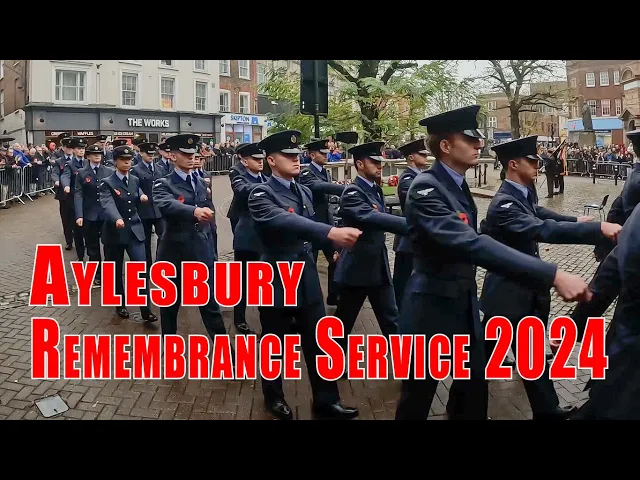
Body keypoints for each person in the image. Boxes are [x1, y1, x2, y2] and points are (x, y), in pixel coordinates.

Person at [394, 105, 592, 421]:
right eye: (469, 139)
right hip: (431, 311)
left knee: (473, 391)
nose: (479, 144)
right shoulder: (426, 188)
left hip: (463, 304)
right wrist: (552, 274)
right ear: (445, 146)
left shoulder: (456, 185)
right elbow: (470, 242)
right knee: (417, 399)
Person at [479, 135, 621, 420]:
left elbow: (540, 213)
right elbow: (542, 229)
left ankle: (546, 409)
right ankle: (460, 404)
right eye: (531, 161)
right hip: (507, 294)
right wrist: (597, 229)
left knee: (527, 352)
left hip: (523, 290)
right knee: (481, 357)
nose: (537, 165)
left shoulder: (522, 193)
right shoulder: (504, 204)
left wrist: (575, 220)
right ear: (513, 164)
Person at [248, 129, 362, 420]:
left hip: (306, 277)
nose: (296, 159)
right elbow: (284, 220)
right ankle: (274, 397)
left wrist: (332, 246)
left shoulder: (304, 190)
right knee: (274, 342)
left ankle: (327, 401)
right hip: (277, 278)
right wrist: (331, 232)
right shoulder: (261, 193)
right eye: (288, 156)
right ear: (271, 161)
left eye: (297, 155)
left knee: (319, 341)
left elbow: (312, 225)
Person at [152, 134, 228, 342]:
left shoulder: (201, 183)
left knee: (210, 304)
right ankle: (169, 344)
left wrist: (212, 250)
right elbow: (166, 204)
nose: (191, 157)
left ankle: (224, 349)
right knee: (170, 304)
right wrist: (193, 211)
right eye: (185, 154)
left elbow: (210, 217)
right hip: (174, 251)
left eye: (192, 154)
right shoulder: (163, 183)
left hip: (200, 249)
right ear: (172, 156)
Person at [333, 141, 407, 343]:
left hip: (378, 266)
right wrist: (411, 225)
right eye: (374, 162)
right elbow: (371, 217)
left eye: (380, 161)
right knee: (344, 321)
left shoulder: (376, 189)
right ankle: (330, 358)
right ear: (360, 164)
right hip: (357, 268)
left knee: (391, 318)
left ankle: (404, 359)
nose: (379, 166)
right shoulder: (353, 192)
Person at [99, 145, 157, 323]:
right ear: (115, 161)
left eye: (129, 160)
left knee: (140, 270)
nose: (127, 163)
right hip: (115, 233)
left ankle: (145, 309)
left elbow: (136, 191)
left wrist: (142, 196)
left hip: (134, 231)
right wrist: (116, 218)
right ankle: (120, 304)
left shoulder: (135, 179)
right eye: (123, 160)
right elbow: (107, 202)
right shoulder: (107, 182)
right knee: (115, 271)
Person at [298, 138, 345, 306]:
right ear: (312, 155)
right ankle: (308, 300)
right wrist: (344, 189)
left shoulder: (325, 172)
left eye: (326, 153)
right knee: (309, 264)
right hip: (312, 225)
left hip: (326, 223)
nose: (326, 156)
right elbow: (318, 187)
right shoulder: (306, 173)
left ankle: (333, 295)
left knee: (336, 258)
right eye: (322, 153)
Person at [229, 142, 268, 335]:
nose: (260, 162)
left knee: (264, 281)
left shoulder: (266, 177)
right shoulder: (239, 175)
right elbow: (243, 190)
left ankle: (267, 323)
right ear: (244, 161)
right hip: (247, 236)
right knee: (243, 280)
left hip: (266, 237)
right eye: (255, 159)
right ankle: (239, 318)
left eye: (261, 159)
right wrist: (271, 188)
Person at [392, 138, 430, 312]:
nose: (426, 157)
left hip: (416, 239)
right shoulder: (408, 178)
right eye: (422, 154)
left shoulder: (419, 176)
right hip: (407, 241)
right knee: (403, 283)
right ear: (411, 157)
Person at [74, 144, 114, 286]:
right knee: (92, 247)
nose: (97, 156)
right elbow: (78, 194)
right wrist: (79, 215)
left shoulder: (109, 171)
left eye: (99, 154)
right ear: (88, 156)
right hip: (90, 214)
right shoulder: (82, 173)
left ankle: (109, 272)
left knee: (109, 245)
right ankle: (97, 273)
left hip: (106, 214)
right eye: (94, 154)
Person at [130, 142, 164, 268]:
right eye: (148, 154)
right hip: (143, 209)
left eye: (152, 154)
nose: (151, 156)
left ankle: (159, 264)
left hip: (158, 209)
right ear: (141, 153)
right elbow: (134, 186)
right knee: (145, 240)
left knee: (163, 237)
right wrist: (140, 194)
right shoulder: (135, 170)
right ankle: (147, 267)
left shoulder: (159, 169)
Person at [60, 137, 87, 261]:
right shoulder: (70, 164)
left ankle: (91, 251)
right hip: (75, 200)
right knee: (77, 230)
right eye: (79, 148)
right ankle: (80, 255)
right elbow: (65, 176)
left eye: (83, 148)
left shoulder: (88, 163)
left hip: (88, 200)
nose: (81, 151)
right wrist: (66, 186)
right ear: (74, 150)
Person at [51, 133, 74, 250]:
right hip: (64, 195)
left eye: (71, 147)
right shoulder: (59, 161)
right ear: (63, 148)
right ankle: (69, 241)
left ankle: (79, 239)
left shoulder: (79, 160)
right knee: (66, 219)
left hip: (77, 194)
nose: (69, 149)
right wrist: (56, 181)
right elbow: (55, 173)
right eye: (67, 147)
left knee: (78, 217)